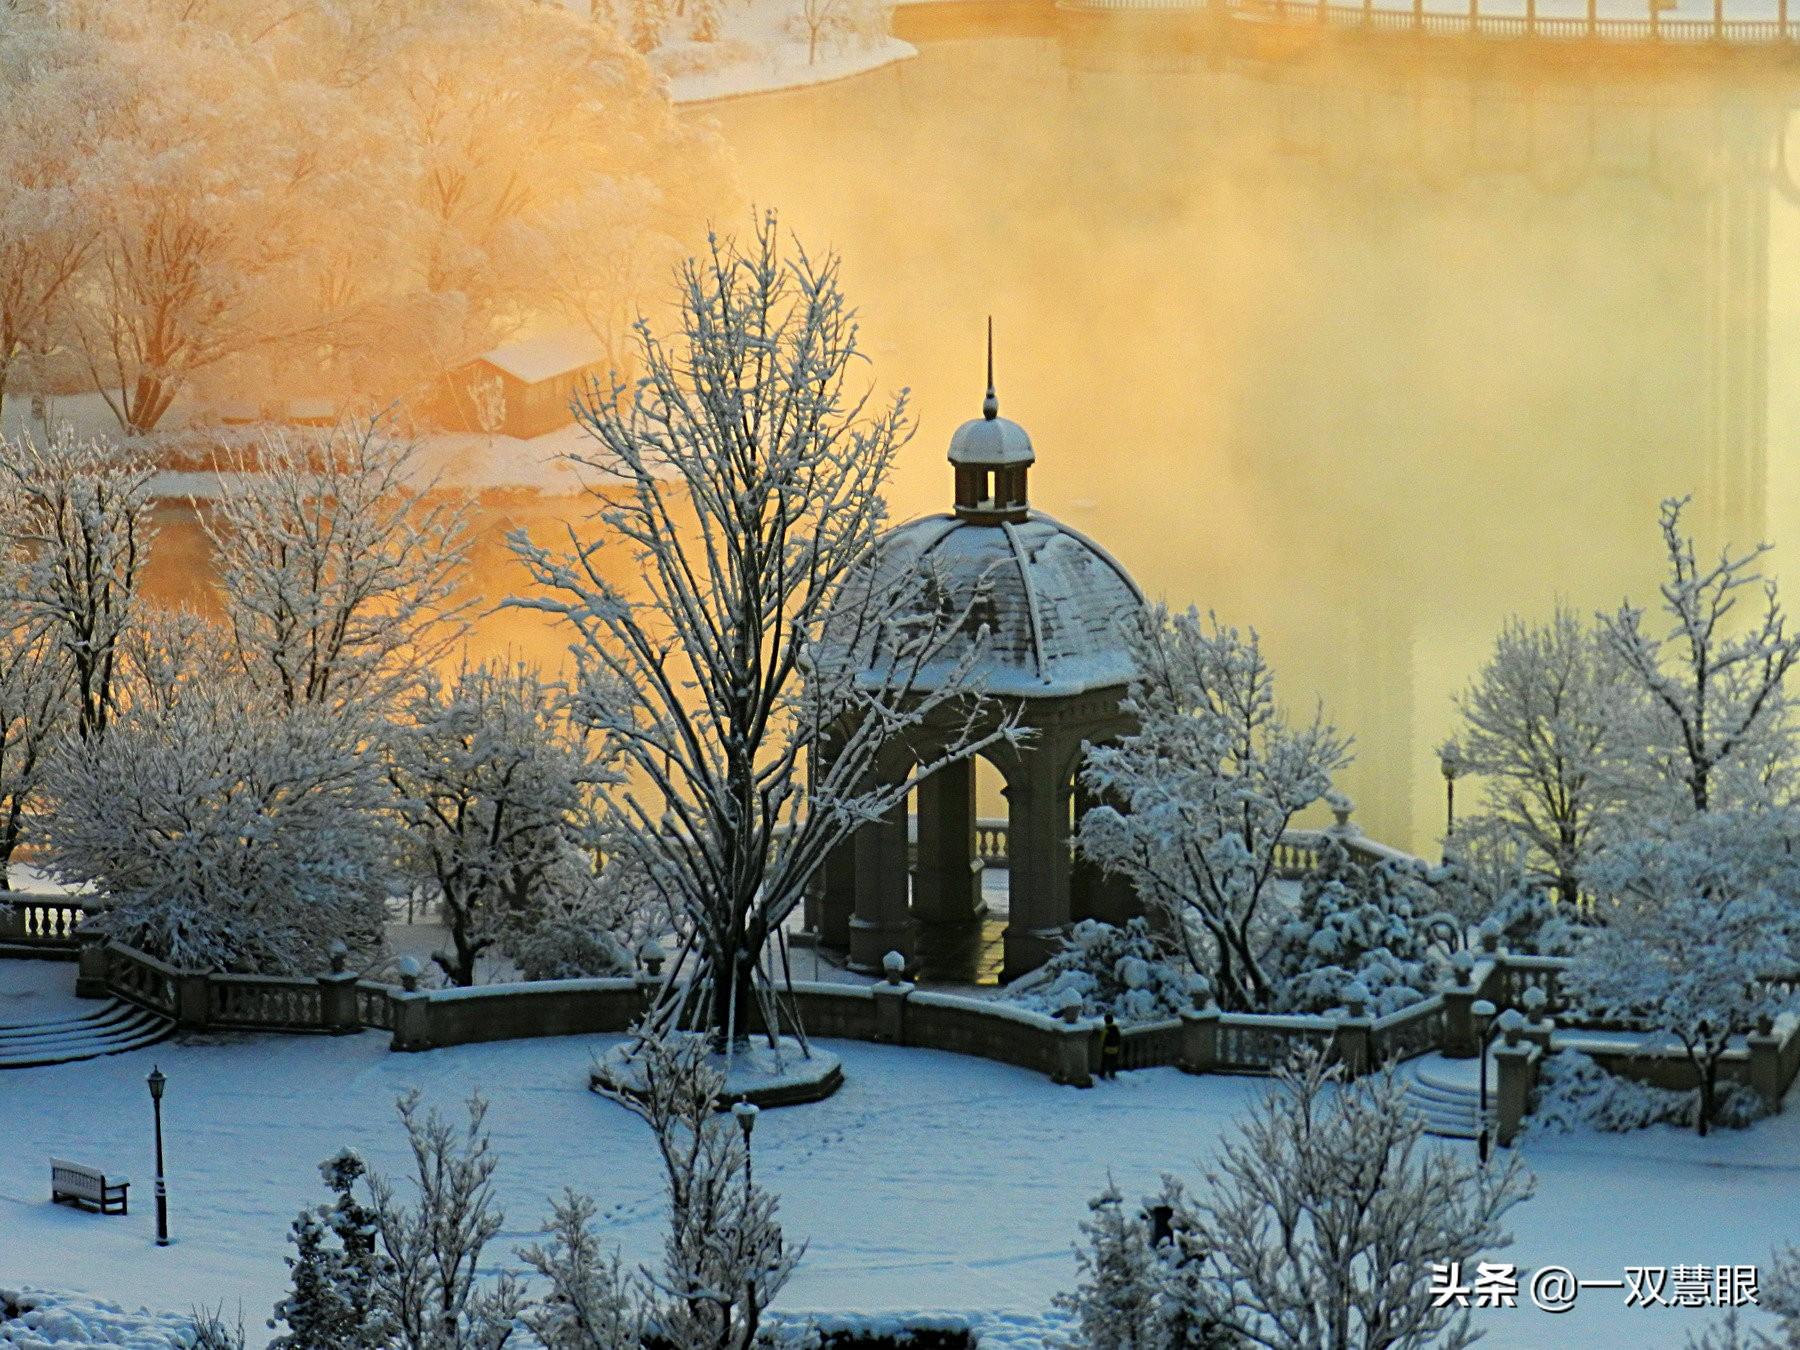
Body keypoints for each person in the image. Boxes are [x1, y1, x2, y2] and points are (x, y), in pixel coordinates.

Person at [1098, 1011, 1123, 1079]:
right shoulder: (1116, 1028)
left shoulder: (1105, 1029)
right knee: (1113, 1062)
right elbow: (1119, 1037)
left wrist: (1101, 1047)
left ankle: (1102, 1074)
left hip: (1107, 1049)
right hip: (1115, 1048)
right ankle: (1112, 1074)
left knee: (1104, 1062)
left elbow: (1102, 1040)